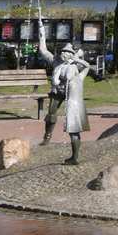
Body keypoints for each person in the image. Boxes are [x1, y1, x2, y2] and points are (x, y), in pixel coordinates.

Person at [38, 15, 91, 165]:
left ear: (71, 55)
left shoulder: (75, 67)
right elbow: (43, 49)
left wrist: (78, 59)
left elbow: (87, 66)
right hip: (57, 92)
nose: (63, 53)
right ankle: (47, 136)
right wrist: (41, 32)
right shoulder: (55, 61)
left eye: (67, 52)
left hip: (72, 96)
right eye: (62, 51)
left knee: (73, 126)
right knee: (51, 113)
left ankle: (74, 156)